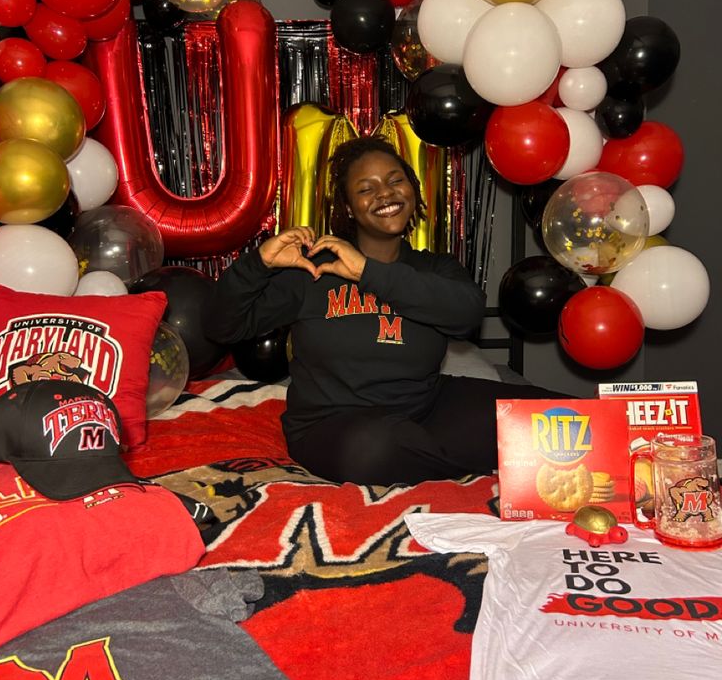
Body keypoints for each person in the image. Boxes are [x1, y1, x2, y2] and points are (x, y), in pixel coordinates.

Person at [206, 137, 560, 486]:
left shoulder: (435, 269)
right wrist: (258, 264)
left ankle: (455, 454)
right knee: (374, 449)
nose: (385, 194)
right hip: (332, 425)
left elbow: (466, 317)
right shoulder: (312, 271)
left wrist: (367, 273)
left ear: (413, 189)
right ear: (347, 206)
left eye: (395, 181)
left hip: (426, 407)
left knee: (560, 418)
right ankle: (498, 456)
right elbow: (223, 326)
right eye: (366, 188)